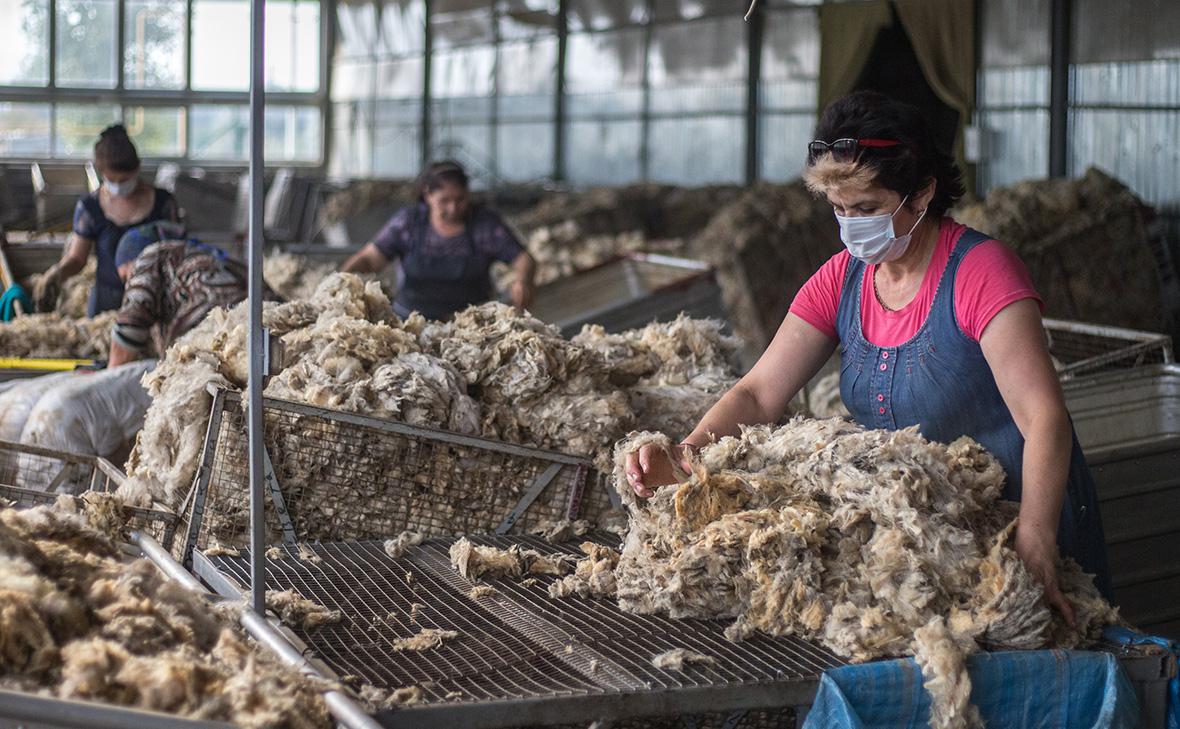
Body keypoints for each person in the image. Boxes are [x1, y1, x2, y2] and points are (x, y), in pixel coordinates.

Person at [624, 91, 1112, 624]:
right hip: (917, 539)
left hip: (1014, 523)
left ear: (922, 192)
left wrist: (1035, 540)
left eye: (867, 209)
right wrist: (684, 454)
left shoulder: (981, 272)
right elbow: (759, 393)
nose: (851, 224)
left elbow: (1044, 419)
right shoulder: (843, 278)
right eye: (839, 209)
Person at [340, 160, 536, 320]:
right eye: (445, 201)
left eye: (460, 200)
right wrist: (341, 281)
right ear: (428, 195)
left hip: (472, 325)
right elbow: (370, 259)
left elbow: (523, 259)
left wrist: (523, 281)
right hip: (410, 322)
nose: (453, 208)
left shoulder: (484, 225)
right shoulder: (409, 223)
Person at [33, 124, 180, 316]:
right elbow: (77, 258)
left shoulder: (163, 203)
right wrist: (56, 275)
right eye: (113, 180)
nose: (119, 186)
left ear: (137, 168)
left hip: (154, 297)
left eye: (125, 180)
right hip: (107, 299)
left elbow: (178, 249)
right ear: (101, 172)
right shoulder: (90, 207)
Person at [107, 221, 264, 367]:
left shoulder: (148, 257)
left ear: (132, 261)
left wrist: (108, 379)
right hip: (264, 338)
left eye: (125, 276)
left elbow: (132, 321)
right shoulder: (208, 258)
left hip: (221, 340)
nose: (127, 284)